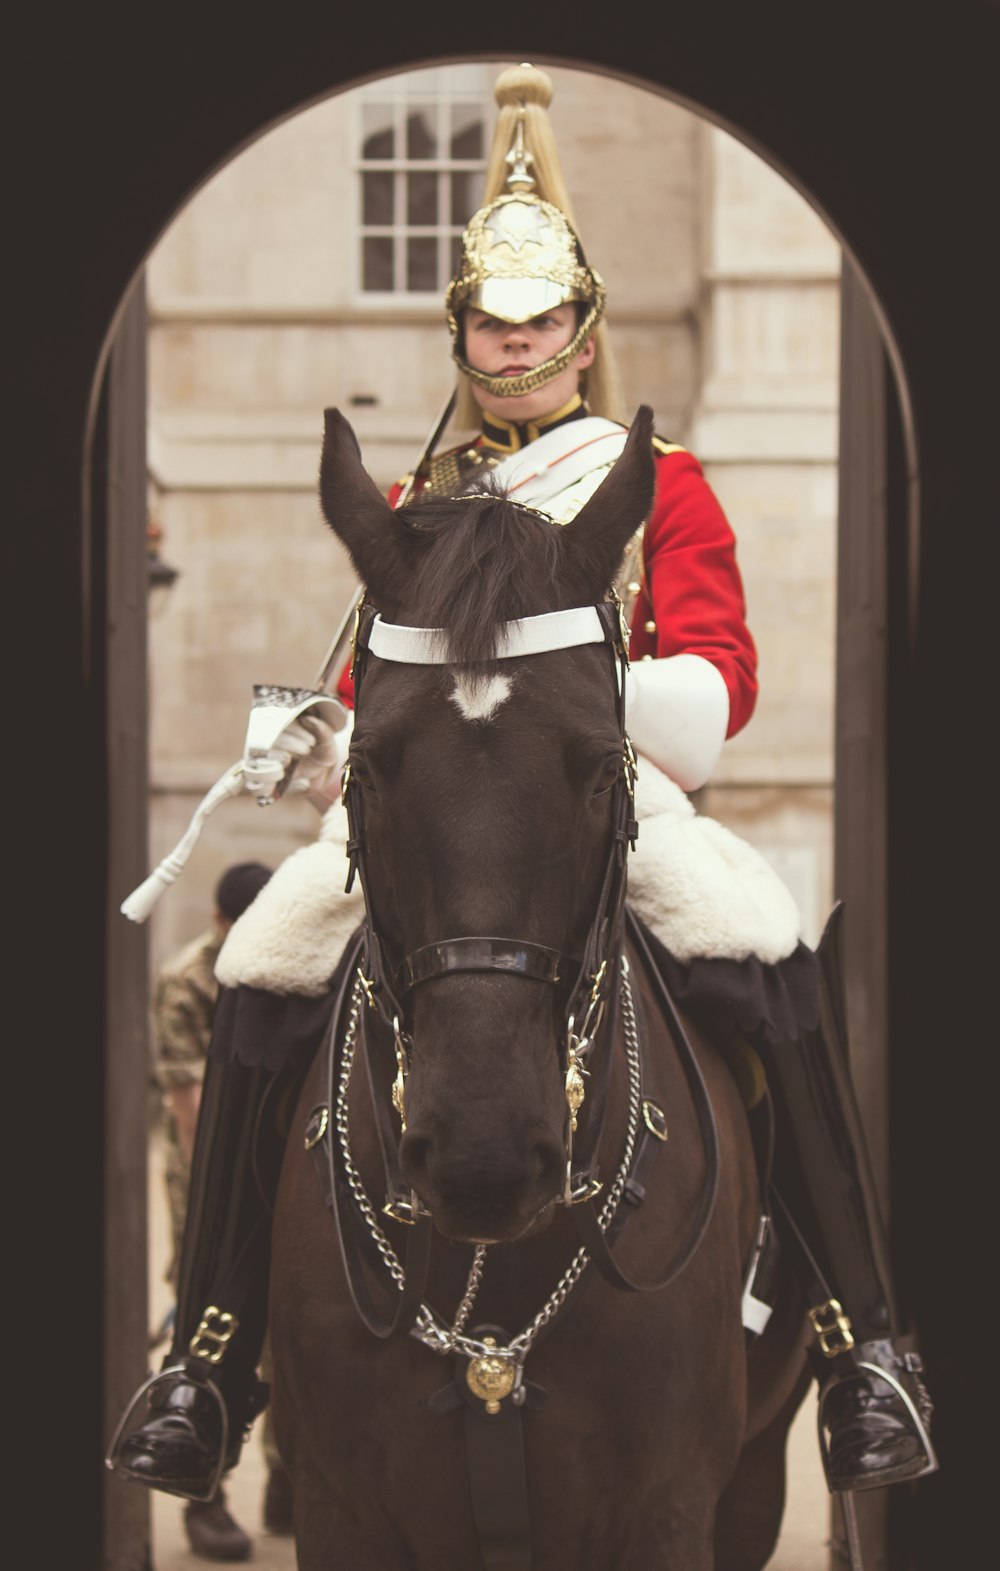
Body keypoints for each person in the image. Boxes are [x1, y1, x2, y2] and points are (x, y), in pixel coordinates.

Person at [109, 62, 934, 1512]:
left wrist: (626, 714)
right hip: (437, 817)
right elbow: (392, 683)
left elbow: (718, 664)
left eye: (541, 320)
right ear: (462, 336)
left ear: (581, 332)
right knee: (258, 962)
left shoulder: (654, 479)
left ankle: (861, 1341)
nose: (516, 345)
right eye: (492, 321)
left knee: (766, 951)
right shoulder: (420, 507)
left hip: (616, 796)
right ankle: (214, 1356)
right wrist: (330, 736)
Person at [149, 861, 296, 1557]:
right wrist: (214, 1225)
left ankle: (283, 1477)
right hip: (207, 1175)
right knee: (215, 1322)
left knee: (285, 1327)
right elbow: (190, 1113)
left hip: (269, 1164)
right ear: (218, 924)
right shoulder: (186, 979)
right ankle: (201, 1494)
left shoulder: (284, 962)